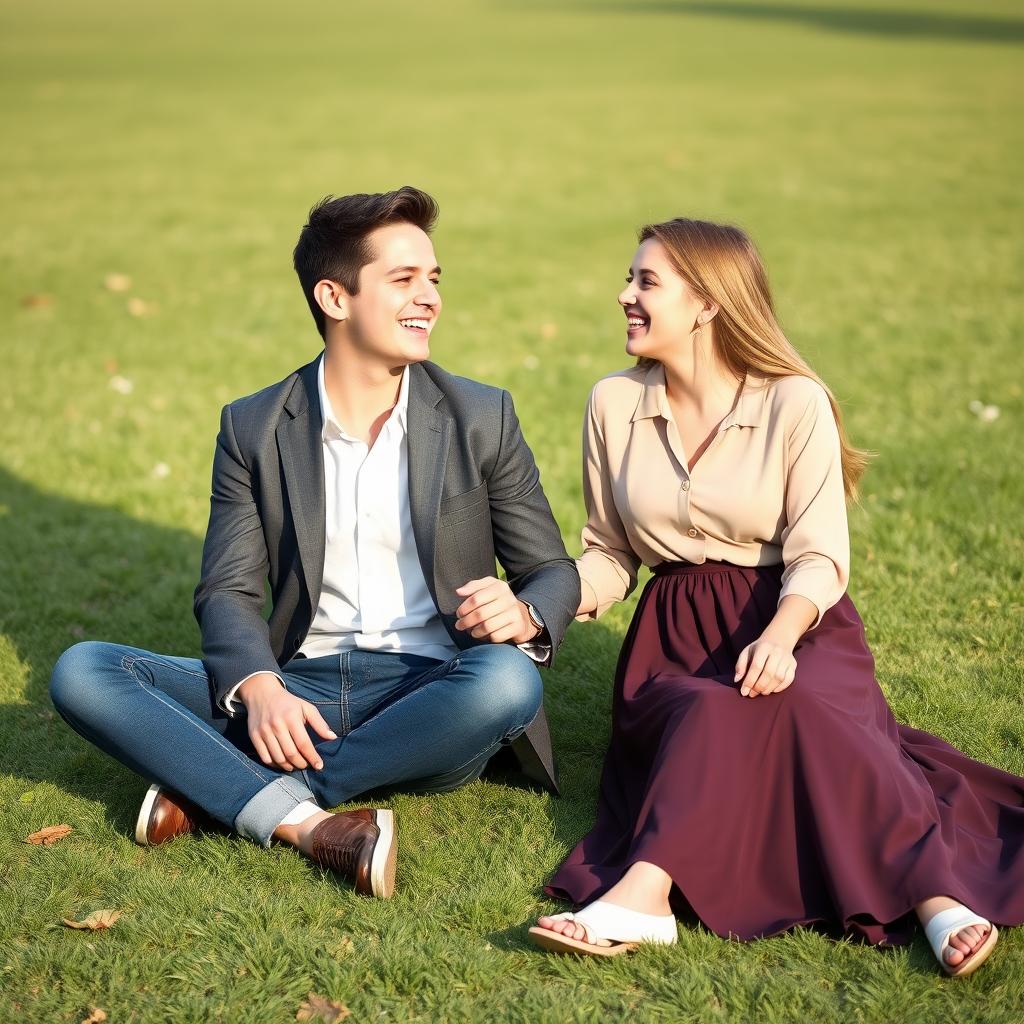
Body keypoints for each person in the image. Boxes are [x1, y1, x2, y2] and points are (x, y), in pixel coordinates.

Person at [49, 186, 580, 899]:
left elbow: (549, 568)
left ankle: (226, 793)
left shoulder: (482, 416)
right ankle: (312, 823)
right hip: (300, 688)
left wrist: (525, 613)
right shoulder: (254, 427)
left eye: (433, 279)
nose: (430, 298)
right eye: (403, 279)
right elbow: (229, 588)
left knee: (509, 681)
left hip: (432, 691)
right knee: (86, 670)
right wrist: (261, 687)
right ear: (334, 297)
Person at [529, 217, 1024, 975]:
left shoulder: (797, 403)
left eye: (645, 282)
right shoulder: (611, 404)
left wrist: (782, 636)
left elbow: (821, 554)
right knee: (712, 707)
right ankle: (648, 896)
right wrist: (545, 604)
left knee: (807, 707)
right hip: (676, 638)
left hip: (796, 617)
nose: (624, 295)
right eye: (629, 279)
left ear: (706, 304)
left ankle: (936, 894)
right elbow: (611, 554)